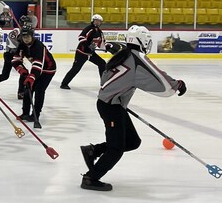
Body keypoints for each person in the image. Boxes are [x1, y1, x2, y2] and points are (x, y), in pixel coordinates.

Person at [80, 25, 187, 191]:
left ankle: (93, 150)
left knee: (132, 141)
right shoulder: (137, 57)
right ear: (142, 41)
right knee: (116, 149)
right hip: (111, 107)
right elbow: (159, 77)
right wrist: (177, 84)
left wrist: (119, 95)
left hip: (111, 104)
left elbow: (105, 80)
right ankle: (90, 178)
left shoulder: (123, 54)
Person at [12, 26, 56, 128]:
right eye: (23, 37)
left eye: (28, 37)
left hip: (48, 70)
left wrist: (31, 77)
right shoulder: (22, 45)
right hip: (37, 69)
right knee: (28, 89)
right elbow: (15, 60)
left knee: (39, 90)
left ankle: (36, 115)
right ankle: (25, 113)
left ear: (32, 36)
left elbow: (38, 66)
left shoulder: (38, 46)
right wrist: (22, 71)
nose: (25, 39)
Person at [61, 14, 106, 90]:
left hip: (90, 53)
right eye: (97, 21)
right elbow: (81, 37)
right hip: (81, 53)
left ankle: (103, 83)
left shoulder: (99, 31)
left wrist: (106, 48)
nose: (98, 22)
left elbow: (101, 43)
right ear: (93, 21)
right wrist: (88, 45)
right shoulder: (89, 28)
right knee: (76, 68)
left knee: (102, 63)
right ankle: (64, 84)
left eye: (99, 21)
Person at [0, 18, 32, 99]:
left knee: (5, 75)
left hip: (16, 55)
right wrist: (22, 43)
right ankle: (21, 92)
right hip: (10, 55)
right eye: (27, 23)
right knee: (22, 73)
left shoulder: (25, 33)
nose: (29, 25)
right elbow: (12, 42)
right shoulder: (16, 31)